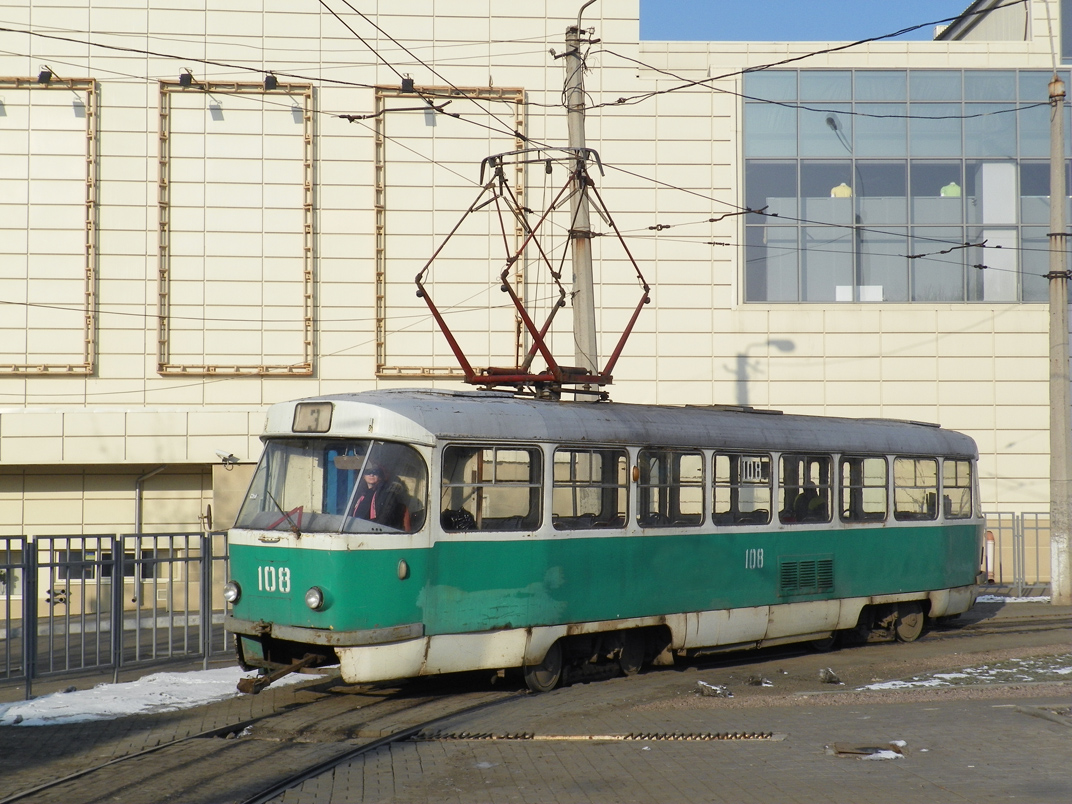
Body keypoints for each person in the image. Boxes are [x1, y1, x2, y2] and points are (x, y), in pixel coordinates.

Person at [351, 464, 409, 530]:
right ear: (363, 476)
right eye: (368, 472)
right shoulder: (359, 494)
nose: (371, 475)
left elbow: (384, 519)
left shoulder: (387, 494)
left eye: (375, 472)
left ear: (380, 476)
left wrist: (363, 527)